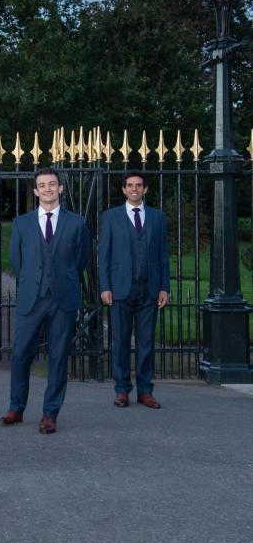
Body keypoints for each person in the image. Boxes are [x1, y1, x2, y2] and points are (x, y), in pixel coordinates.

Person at [0, 168, 89, 434]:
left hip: (64, 298)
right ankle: (16, 407)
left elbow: (81, 259)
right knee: (20, 354)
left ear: (60, 189)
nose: (48, 188)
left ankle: (50, 414)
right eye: (42, 185)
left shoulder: (76, 223)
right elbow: (16, 261)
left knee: (59, 357)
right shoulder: (21, 223)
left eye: (52, 184)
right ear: (36, 191)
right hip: (32, 298)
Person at [99, 171, 170, 409]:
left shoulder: (157, 217)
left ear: (145, 189)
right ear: (124, 190)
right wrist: (105, 286)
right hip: (120, 289)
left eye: (139, 185)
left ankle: (145, 391)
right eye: (130, 185)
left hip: (149, 288)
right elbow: (104, 256)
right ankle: (122, 390)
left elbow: (163, 256)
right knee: (119, 341)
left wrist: (164, 287)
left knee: (146, 342)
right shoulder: (111, 217)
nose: (134, 189)